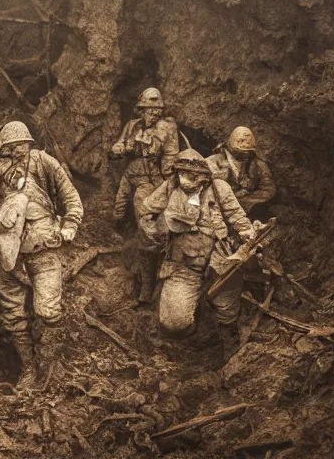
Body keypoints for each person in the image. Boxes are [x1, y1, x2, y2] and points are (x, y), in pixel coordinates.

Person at [0, 121, 83, 387]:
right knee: (13, 314)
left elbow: (70, 197)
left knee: (48, 312)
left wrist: (70, 224)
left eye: (20, 145)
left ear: (29, 143)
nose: (16, 150)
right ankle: (28, 369)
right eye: (10, 146)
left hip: (42, 247)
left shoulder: (44, 163)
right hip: (8, 251)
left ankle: (50, 365)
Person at [137, 149, 256, 360]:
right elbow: (146, 208)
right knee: (173, 324)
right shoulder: (172, 186)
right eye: (182, 174)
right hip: (183, 266)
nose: (186, 180)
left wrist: (249, 237)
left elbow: (238, 218)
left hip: (220, 260)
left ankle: (229, 343)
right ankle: (194, 328)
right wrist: (150, 224)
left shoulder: (220, 189)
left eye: (191, 175)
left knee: (227, 305)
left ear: (203, 175)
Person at [110, 87, 180, 302]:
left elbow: (171, 157)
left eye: (157, 110)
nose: (154, 114)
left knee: (146, 223)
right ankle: (122, 244)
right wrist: (120, 147)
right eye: (149, 110)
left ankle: (147, 283)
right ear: (141, 110)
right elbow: (119, 144)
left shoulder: (167, 128)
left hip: (151, 180)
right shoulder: (132, 125)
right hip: (131, 173)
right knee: (118, 211)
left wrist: (169, 183)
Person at [207, 126, 276, 213]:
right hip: (218, 208)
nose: (245, 153)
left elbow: (268, 188)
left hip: (248, 208)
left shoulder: (258, 164)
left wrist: (247, 200)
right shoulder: (214, 161)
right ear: (230, 147)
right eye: (240, 151)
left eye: (247, 151)